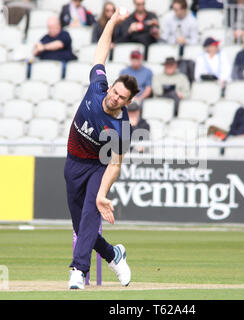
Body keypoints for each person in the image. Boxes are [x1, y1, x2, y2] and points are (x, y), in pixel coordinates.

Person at [65, 8, 140, 290]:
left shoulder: (122, 127)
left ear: (127, 102)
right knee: (81, 226)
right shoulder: (98, 86)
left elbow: (115, 164)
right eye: (114, 91)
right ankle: (113, 254)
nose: (113, 97)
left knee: (89, 216)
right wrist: (112, 21)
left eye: (120, 97)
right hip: (72, 162)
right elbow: (101, 52)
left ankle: (77, 271)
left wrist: (100, 194)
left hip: (98, 166)